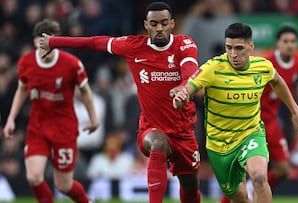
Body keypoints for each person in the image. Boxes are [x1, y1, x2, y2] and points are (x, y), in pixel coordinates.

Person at [39, 2, 201, 203]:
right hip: (151, 127)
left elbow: (190, 68)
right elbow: (94, 42)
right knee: (157, 143)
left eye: (164, 23)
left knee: (190, 185)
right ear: (146, 25)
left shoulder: (184, 44)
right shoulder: (133, 46)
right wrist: (55, 41)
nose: (159, 28)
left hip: (183, 130)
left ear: (172, 24)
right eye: (154, 23)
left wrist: (185, 87)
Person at [173, 22, 298, 203]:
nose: (233, 54)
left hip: (251, 133)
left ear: (251, 47)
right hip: (219, 144)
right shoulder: (213, 68)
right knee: (239, 197)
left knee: (259, 176)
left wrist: (295, 110)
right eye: (228, 48)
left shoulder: (263, 66)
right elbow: (189, 88)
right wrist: (181, 97)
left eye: (239, 48)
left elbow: (277, 81)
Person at [2, 19, 99, 203]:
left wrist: (94, 119)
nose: (46, 46)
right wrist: (11, 119)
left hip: (64, 128)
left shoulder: (72, 64)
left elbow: (86, 91)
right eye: (42, 41)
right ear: (34, 42)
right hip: (38, 127)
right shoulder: (26, 62)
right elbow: (22, 89)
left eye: (51, 41)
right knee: (33, 177)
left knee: (64, 185)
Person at [220, 25, 298, 203]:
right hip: (251, 123)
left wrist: (294, 111)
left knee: (283, 170)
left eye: (293, 41)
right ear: (277, 44)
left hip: (272, 122)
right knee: (244, 172)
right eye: (285, 41)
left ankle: (255, 192)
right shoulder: (265, 64)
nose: (289, 45)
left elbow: (287, 87)